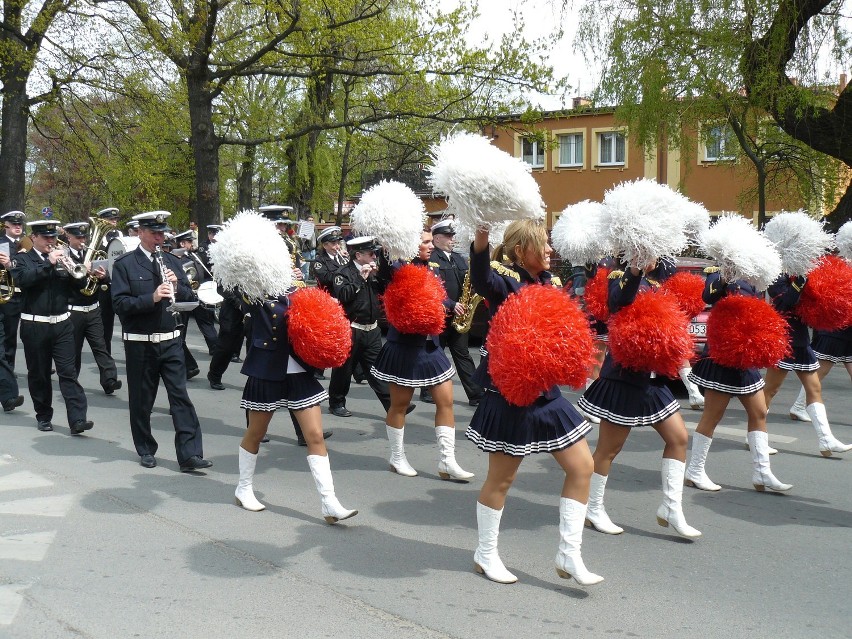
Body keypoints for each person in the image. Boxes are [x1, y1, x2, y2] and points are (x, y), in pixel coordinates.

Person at [465, 219, 601, 586]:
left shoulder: (551, 282)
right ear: (523, 249)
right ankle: (486, 552)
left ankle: (568, 554)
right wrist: (481, 235)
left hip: (547, 393)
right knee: (502, 479)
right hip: (511, 393)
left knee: (582, 466)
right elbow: (480, 278)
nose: (550, 251)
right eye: (543, 244)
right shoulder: (502, 279)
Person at [578, 261, 701, 539]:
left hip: (654, 381)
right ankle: (593, 507)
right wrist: (634, 270)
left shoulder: (657, 284)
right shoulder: (619, 277)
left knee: (679, 438)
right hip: (624, 378)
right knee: (609, 450)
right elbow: (618, 300)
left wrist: (687, 376)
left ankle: (671, 507)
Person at [234, 291, 356, 523]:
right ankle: (244, 488)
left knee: (315, 436)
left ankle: (329, 502)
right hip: (266, 369)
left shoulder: (296, 288)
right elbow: (233, 289)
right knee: (256, 433)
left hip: (299, 370)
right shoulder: (252, 291)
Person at [111, 211, 212, 471]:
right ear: (140, 232)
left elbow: (191, 296)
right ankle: (145, 448)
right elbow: (120, 305)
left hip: (171, 340)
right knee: (142, 400)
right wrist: (152, 297)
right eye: (154, 233)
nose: (160, 238)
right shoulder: (125, 264)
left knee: (181, 398)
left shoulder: (171, 261)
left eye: (162, 233)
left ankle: (190, 454)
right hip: (140, 343)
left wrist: (178, 287)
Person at [372, 229, 473, 480]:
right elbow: (384, 270)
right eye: (426, 242)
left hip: (431, 345)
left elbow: (439, 297)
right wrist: (387, 244)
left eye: (430, 241)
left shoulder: (433, 267)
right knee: (400, 405)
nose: (430, 246)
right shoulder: (397, 267)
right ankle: (397, 457)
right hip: (405, 347)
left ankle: (447, 461)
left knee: (446, 401)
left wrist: (450, 305)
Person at [684, 270, 791, 492]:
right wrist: (725, 277)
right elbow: (708, 296)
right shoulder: (719, 274)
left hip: (744, 358)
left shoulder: (755, 279)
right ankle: (695, 470)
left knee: (759, 412)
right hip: (722, 356)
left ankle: (762, 472)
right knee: (712, 416)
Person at [10, 220, 93, 434]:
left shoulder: (63, 259)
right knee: (39, 374)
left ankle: (77, 420)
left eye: (53, 237)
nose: (51, 241)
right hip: (35, 325)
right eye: (46, 237)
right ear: (34, 237)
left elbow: (78, 288)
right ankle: (43, 415)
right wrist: (48, 264)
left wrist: (84, 274)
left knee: (68, 373)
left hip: (63, 324)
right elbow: (23, 280)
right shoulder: (22, 259)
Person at [761, 273, 852, 456]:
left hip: (802, 339)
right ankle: (755, 436)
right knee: (771, 389)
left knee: (814, 388)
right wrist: (800, 282)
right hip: (784, 339)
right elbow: (786, 302)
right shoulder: (777, 278)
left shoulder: (809, 276)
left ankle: (826, 440)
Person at [327, 236, 401, 417]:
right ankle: (336, 402)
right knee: (344, 369)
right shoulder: (343, 273)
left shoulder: (375, 271)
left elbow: (386, 290)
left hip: (372, 328)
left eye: (375, 253)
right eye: (371, 253)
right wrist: (361, 278)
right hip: (352, 327)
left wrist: (379, 276)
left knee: (377, 369)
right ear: (358, 255)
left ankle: (392, 405)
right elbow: (344, 295)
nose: (374, 256)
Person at [425, 219, 484, 406]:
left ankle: (476, 394)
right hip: (440, 315)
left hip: (459, 316)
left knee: (463, 354)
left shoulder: (458, 258)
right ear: (436, 239)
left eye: (453, 236)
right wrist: (450, 303)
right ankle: (427, 390)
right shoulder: (431, 259)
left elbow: (467, 280)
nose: (452, 239)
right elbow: (431, 289)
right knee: (434, 354)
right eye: (448, 236)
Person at [63, 222, 122, 395]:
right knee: (74, 350)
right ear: (69, 237)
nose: (83, 241)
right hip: (74, 311)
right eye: (78, 237)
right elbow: (68, 283)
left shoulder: (93, 255)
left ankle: (109, 380)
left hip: (93, 308)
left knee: (101, 346)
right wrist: (84, 271)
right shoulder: (65, 257)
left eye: (84, 237)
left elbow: (100, 281)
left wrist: (103, 277)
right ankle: (72, 383)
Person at [788, 327, 852, 422]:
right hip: (837, 332)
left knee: (819, 373)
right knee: (818, 373)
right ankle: (799, 406)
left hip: (844, 333)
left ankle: (799, 406)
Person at [174, 230, 218, 355]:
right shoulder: (176, 259)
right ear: (182, 244)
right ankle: (179, 354)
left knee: (206, 323)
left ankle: (216, 349)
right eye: (189, 242)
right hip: (184, 298)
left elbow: (202, 273)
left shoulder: (193, 255)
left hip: (199, 295)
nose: (192, 244)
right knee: (181, 328)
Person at [0, 210, 27, 368]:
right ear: (6, 225)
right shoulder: (1, 243)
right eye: (14, 224)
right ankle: (8, 368)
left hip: (26, 294)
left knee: (30, 332)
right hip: (8, 295)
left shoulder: (26, 243)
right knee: (9, 335)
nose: (18, 226)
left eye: (20, 224)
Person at [95, 208, 122, 355]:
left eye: (115, 220)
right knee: (106, 326)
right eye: (110, 220)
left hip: (120, 285)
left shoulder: (121, 237)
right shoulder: (98, 239)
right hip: (104, 287)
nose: (114, 222)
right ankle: (107, 355)